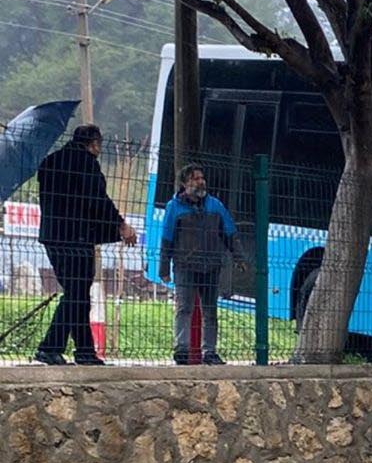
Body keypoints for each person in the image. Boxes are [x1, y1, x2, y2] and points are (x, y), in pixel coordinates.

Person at [33, 124, 137, 365]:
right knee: (78, 291)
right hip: (77, 236)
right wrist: (120, 224)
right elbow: (97, 199)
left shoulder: (50, 161)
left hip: (52, 236)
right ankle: (50, 346)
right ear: (95, 143)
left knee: (77, 292)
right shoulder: (85, 162)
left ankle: (85, 350)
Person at [159, 164, 244, 364]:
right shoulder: (174, 208)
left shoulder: (215, 205)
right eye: (195, 178)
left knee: (210, 311)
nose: (201, 181)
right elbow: (167, 239)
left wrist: (239, 257)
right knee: (184, 308)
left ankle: (210, 352)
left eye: (201, 178)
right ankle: (182, 349)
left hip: (211, 266)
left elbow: (230, 233)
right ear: (184, 183)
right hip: (185, 266)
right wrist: (164, 269)